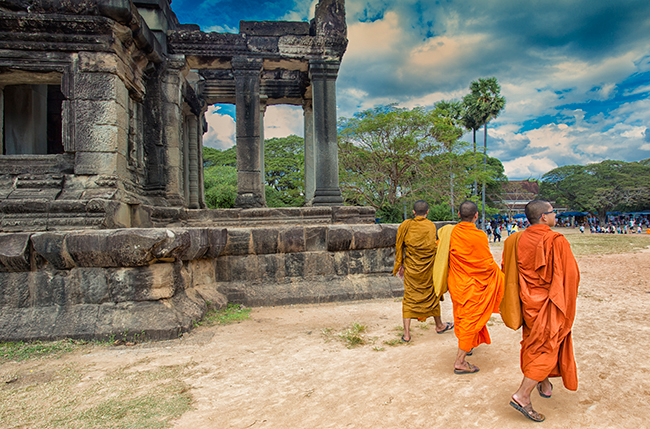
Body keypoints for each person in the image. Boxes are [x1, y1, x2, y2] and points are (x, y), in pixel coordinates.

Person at [501, 200, 579, 422]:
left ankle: (543, 383)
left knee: (533, 342)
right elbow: (570, 276)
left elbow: (507, 270)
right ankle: (522, 395)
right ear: (544, 217)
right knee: (547, 347)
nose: (556, 216)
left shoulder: (516, 239)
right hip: (549, 304)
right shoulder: (556, 241)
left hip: (528, 304)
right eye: (554, 212)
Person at [436, 201, 504, 374]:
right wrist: (503, 277)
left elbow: (440, 252)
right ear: (476, 216)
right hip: (475, 286)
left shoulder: (449, 233)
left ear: (458, 215)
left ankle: (468, 345)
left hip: (458, 284)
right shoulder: (480, 236)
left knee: (462, 315)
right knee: (470, 319)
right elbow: (486, 263)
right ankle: (460, 361)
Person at [393, 200, 453, 342]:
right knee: (432, 296)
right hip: (427, 269)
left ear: (414, 212)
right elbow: (433, 248)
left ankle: (407, 334)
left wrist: (399, 264)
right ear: (427, 212)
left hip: (411, 269)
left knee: (409, 298)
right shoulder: (430, 226)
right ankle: (439, 325)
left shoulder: (406, 225)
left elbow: (399, 246)